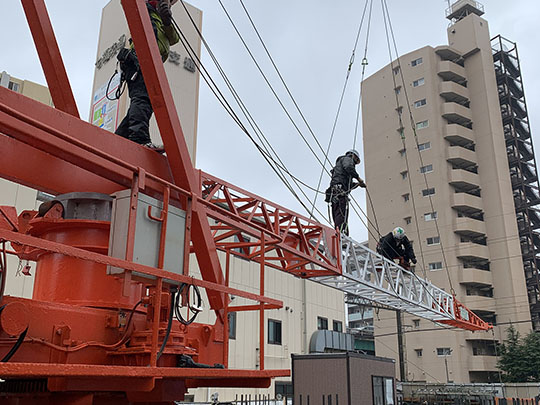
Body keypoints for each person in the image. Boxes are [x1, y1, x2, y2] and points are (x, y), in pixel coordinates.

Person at [114, 0, 180, 150]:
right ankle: (139, 139)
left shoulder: (157, 16)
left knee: (142, 101)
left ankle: (118, 139)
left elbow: (174, 39)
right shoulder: (144, 9)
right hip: (140, 60)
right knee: (142, 99)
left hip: (150, 62)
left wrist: (167, 20)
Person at [325, 149, 366, 236]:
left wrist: (358, 184)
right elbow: (348, 167)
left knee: (337, 215)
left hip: (335, 192)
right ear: (353, 156)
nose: (355, 163)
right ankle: (341, 234)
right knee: (342, 215)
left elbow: (348, 184)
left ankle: (339, 233)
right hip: (340, 192)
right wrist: (358, 178)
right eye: (356, 160)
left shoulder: (340, 166)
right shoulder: (347, 159)